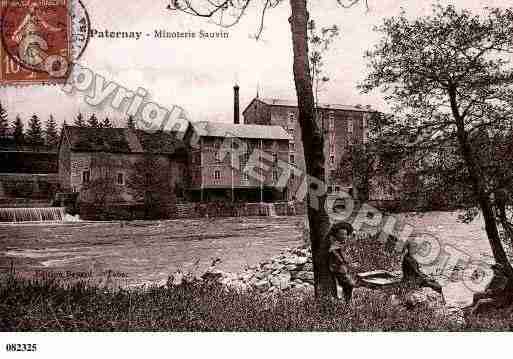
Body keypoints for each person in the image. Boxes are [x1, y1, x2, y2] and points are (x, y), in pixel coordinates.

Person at [327, 221, 357, 303]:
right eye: (341, 234)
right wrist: (343, 259)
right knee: (349, 284)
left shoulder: (341, 243)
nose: (344, 236)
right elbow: (334, 252)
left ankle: (347, 300)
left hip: (342, 268)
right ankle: (346, 301)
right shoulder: (335, 244)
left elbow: (349, 242)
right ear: (336, 235)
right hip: (337, 268)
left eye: (345, 234)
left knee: (348, 285)